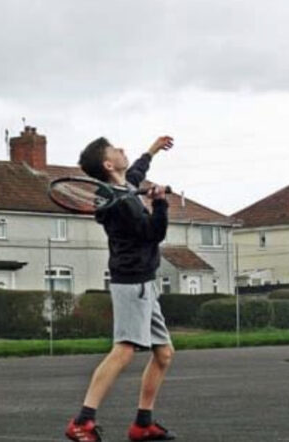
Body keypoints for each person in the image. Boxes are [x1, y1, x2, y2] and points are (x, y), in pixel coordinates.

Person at [65, 135, 176, 442]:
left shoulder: (123, 187)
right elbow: (153, 233)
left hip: (145, 283)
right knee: (124, 350)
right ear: (108, 164)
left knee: (164, 354)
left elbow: (137, 173)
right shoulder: (121, 202)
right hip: (132, 284)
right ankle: (81, 422)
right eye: (116, 150)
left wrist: (152, 150)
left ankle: (142, 424)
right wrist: (161, 203)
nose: (123, 150)